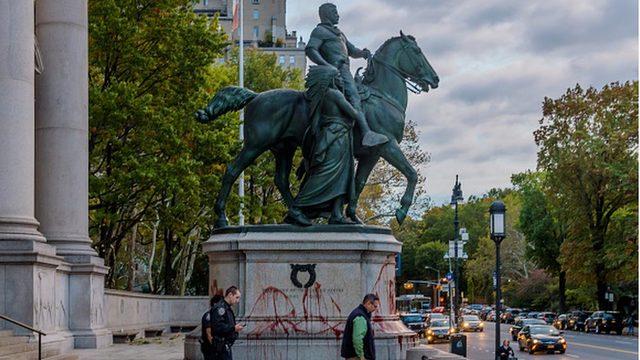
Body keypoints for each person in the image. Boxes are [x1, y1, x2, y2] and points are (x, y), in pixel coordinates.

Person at [286, 65, 362, 225]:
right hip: (336, 138)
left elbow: (315, 123)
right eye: (339, 77)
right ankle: (296, 207)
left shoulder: (322, 97)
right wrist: (356, 97)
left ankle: (336, 213)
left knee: (342, 176)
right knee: (326, 174)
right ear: (332, 79)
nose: (341, 80)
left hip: (334, 137)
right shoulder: (335, 95)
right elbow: (354, 113)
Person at [306, 3, 387, 148]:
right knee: (354, 96)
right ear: (325, 14)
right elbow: (311, 50)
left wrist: (363, 53)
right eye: (334, 12)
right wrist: (327, 66)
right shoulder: (320, 31)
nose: (338, 15)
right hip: (336, 71)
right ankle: (366, 133)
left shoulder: (339, 33)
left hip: (345, 69)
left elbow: (351, 50)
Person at [341, 294, 379, 360]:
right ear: (368, 303)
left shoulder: (358, 313)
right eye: (375, 306)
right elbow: (357, 339)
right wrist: (361, 356)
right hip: (357, 357)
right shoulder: (360, 316)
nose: (376, 309)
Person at [211, 286, 244, 360]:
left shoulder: (226, 308)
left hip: (225, 346)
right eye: (237, 297)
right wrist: (233, 328)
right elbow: (218, 327)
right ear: (230, 295)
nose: (237, 301)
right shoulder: (220, 308)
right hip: (220, 347)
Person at [200, 294, 224, 360]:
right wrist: (216, 347)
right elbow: (209, 334)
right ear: (215, 304)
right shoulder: (209, 315)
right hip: (210, 348)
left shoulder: (216, 315)